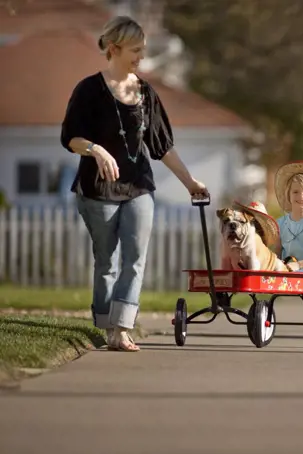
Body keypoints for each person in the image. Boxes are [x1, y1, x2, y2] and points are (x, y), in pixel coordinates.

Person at [60, 16, 210, 352]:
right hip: (98, 189)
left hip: (139, 186)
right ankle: (104, 323)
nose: (141, 56)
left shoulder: (145, 93)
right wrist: (95, 150)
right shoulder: (88, 90)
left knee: (136, 256)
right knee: (106, 260)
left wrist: (189, 181)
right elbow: (70, 137)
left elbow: (162, 146)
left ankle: (122, 329)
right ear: (114, 49)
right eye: (135, 50)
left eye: (143, 50)